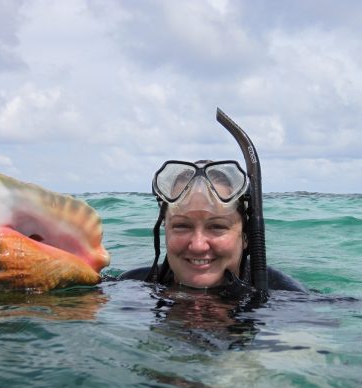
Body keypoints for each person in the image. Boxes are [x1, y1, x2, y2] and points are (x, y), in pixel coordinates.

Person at [119, 109, 307, 295]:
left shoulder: (288, 298)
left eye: (217, 226)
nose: (198, 246)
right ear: (165, 230)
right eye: (182, 226)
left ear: (245, 237)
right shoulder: (131, 288)